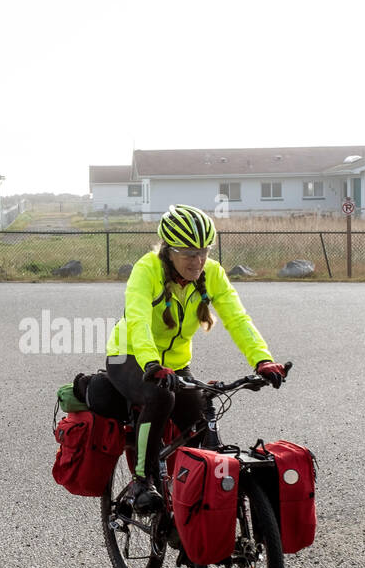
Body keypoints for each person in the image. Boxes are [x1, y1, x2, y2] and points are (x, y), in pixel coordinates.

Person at [101, 203, 285, 514]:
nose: (198, 260)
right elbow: (138, 320)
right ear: (168, 251)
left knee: (198, 424)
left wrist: (262, 360)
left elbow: (237, 318)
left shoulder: (212, 274)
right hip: (129, 356)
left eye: (204, 251)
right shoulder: (147, 270)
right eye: (188, 253)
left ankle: (189, 502)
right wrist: (150, 364)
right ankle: (142, 481)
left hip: (173, 363)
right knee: (160, 398)